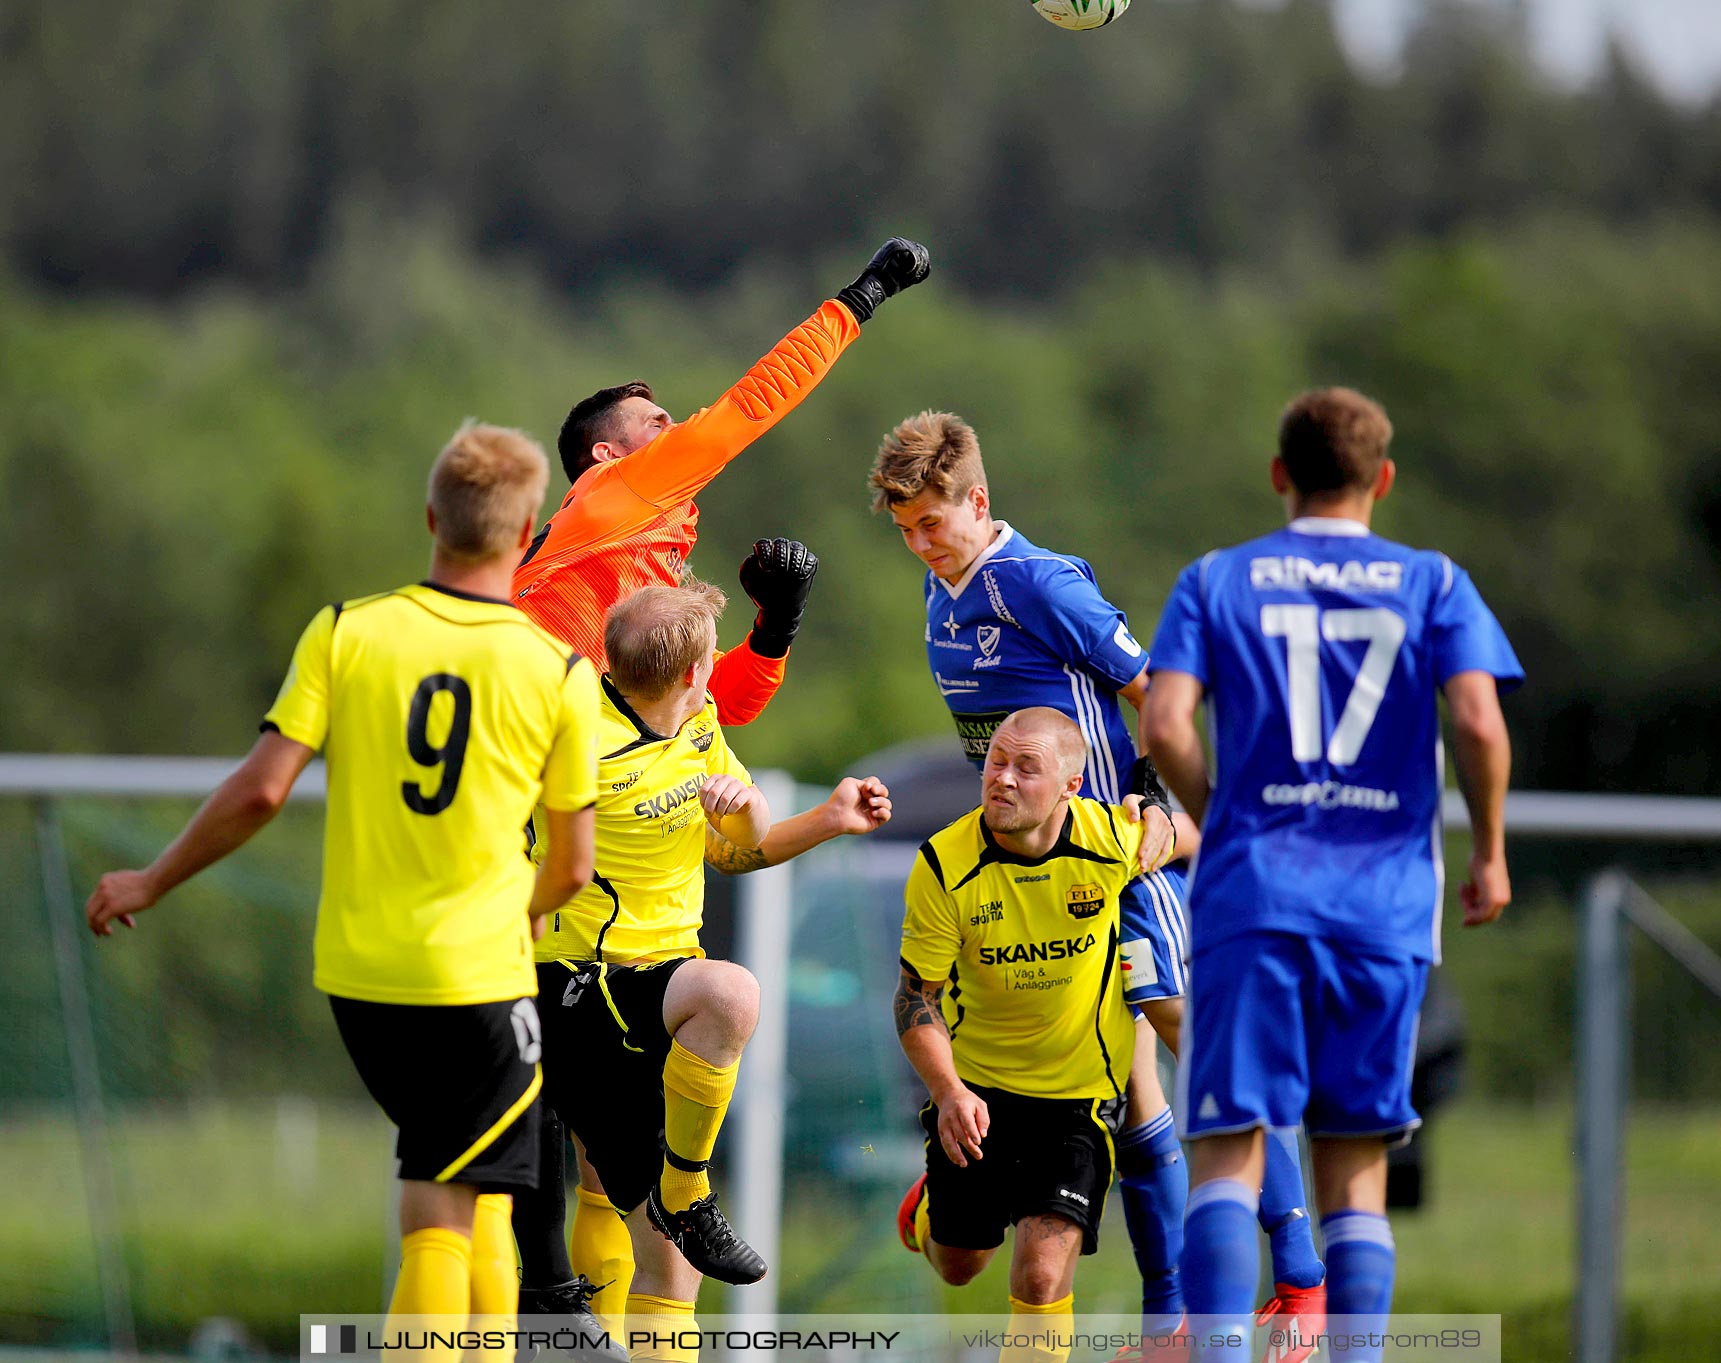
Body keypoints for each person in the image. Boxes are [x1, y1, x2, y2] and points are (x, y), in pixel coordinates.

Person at [85, 422, 606, 1348]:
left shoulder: (346, 630)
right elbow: (570, 867)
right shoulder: (554, 669)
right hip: (473, 979)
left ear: (430, 517)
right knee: (452, 1212)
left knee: (474, 1187)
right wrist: (510, 919)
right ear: (528, 528)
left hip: (362, 980)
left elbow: (261, 788)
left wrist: (150, 878)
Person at [868, 412, 1326, 1349]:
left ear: (979, 501)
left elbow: (1154, 691)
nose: (919, 544)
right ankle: (1166, 1321)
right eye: (905, 529)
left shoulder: (1039, 583)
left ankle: (1304, 1274)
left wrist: (1165, 804)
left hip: (1116, 844)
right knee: (1139, 1091)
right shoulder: (940, 595)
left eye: (933, 525)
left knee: (1189, 1036)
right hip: (1032, 867)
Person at [1141, 388, 1522, 1363]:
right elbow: (1478, 721)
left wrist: (1222, 812)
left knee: (1230, 1147)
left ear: (1280, 475)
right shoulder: (1434, 580)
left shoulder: (1215, 579)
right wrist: (1488, 850)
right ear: (1382, 480)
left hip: (1256, 899)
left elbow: (1166, 723)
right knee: (1355, 1167)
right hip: (1383, 908)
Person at [521, 580, 891, 1363]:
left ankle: (678, 1203)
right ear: (693, 672)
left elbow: (736, 847)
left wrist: (818, 816)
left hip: (656, 990)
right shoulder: (575, 739)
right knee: (730, 991)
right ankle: (686, 1188)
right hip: (588, 989)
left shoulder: (695, 722)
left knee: (672, 1266)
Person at [514, 237, 932, 725]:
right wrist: (863, 297)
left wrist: (774, 628)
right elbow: (752, 404)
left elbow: (723, 703)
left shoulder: (639, 561)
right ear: (607, 456)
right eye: (657, 423)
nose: (676, 431)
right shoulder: (614, 487)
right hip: (522, 729)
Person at [893, 708, 1198, 1363]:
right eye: (996, 761)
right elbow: (916, 999)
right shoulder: (944, 865)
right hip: (975, 1094)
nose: (1000, 778)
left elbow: (1195, 835)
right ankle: (927, 1212)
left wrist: (1163, 819)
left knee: (1039, 1271)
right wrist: (947, 1092)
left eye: (1025, 767)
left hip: (1080, 1099)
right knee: (959, 1262)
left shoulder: (1110, 839)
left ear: (1071, 785)